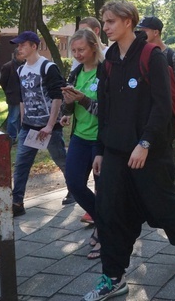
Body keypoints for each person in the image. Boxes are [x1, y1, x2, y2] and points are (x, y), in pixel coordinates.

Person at [83, 0, 175, 301]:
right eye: (104, 22)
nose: (105, 27)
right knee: (109, 213)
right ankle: (113, 276)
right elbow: (105, 110)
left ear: (127, 22)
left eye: (110, 22)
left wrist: (145, 143)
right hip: (115, 153)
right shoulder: (108, 61)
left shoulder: (152, 56)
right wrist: (99, 149)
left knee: (162, 206)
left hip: (151, 151)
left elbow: (162, 108)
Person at [10, 31, 68, 216]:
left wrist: (50, 125)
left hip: (48, 128)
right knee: (21, 164)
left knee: (61, 161)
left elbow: (57, 97)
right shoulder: (20, 70)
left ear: (34, 46)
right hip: (29, 127)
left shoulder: (48, 67)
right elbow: (21, 99)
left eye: (22, 44)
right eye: (18, 45)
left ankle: (74, 190)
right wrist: (22, 122)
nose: (19, 48)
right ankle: (17, 202)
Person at [60, 29, 104, 259]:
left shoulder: (106, 72)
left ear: (93, 48)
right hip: (79, 137)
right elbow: (70, 107)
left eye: (81, 50)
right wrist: (66, 107)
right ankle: (103, 221)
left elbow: (108, 111)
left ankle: (104, 233)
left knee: (102, 189)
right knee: (74, 183)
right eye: (73, 50)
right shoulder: (75, 72)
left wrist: (83, 99)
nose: (76, 54)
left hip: (101, 141)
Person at [138, 16, 175, 183]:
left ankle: (171, 185)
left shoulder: (171, 56)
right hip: (148, 114)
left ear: (155, 32)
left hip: (168, 117)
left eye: (143, 30)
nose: (140, 33)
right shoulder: (141, 54)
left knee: (169, 151)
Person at [0, 52, 23, 143]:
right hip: (14, 96)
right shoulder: (8, 66)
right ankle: (11, 137)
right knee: (13, 118)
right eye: (21, 55)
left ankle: (21, 136)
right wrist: (9, 92)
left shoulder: (24, 65)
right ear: (17, 55)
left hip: (22, 97)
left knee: (21, 118)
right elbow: (3, 82)